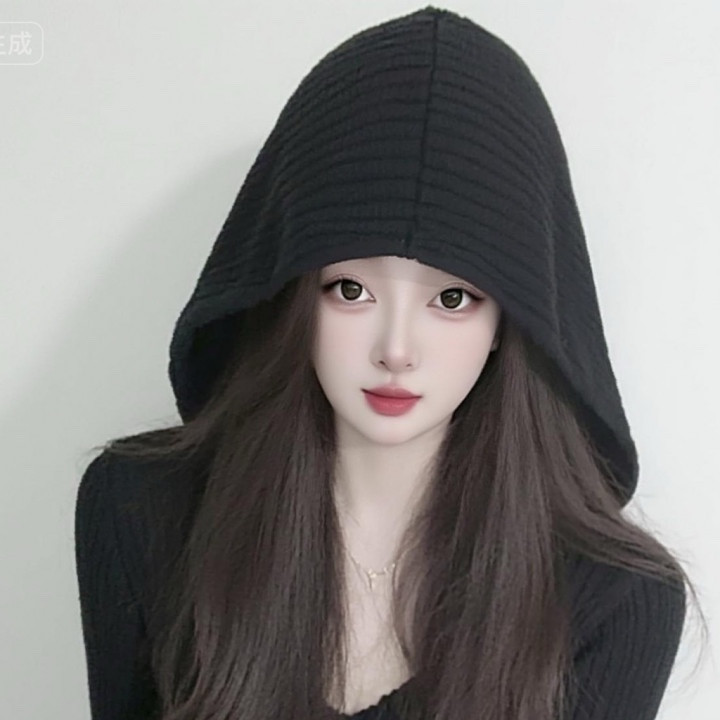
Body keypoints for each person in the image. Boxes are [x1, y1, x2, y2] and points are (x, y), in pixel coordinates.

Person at [74, 6, 705, 720]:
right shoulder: (139, 513)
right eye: (351, 290)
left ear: (509, 321)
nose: (396, 349)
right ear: (293, 296)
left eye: (452, 298)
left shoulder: (619, 600)